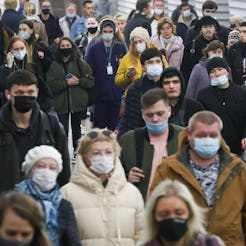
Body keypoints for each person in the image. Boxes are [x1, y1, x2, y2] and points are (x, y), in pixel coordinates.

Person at [150, 110, 246, 245]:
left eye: (213, 135)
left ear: (220, 136)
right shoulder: (168, 169)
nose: (208, 140)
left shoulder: (238, 169)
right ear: (189, 135)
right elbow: (155, 215)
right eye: (202, 135)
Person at [61, 128, 144, 245]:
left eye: (108, 152)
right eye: (96, 153)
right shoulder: (67, 194)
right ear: (84, 157)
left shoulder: (132, 193)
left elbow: (141, 235)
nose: (103, 157)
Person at [0, 70, 70, 192]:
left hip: (43, 202)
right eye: (19, 93)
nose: (25, 96)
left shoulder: (52, 126)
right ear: (8, 94)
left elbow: (64, 172)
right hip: (6, 203)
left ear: (37, 92)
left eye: (30, 92)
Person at [119, 88, 183, 199]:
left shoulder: (185, 137)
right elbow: (111, 176)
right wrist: (126, 178)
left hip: (178, 207)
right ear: (142, 114)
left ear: (169, 111)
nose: (155, 119)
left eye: (160, 113)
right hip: (141, 208)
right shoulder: (128, 141)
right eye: (149, 115)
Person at [16, 145, 81, 246]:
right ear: (30, 170)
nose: (46, 171)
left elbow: (73, 242)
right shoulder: (14, 202)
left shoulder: (63, 206)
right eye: (40, 166)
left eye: (52, 168)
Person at [46, 37, 95, 153]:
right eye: (62, 46)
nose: (65, 48)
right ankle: (63, 152)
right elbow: (50, 85)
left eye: (68, 46)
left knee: (76, 129)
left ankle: (77, 151)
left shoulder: (80, 62)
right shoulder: (54, 65)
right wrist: (66, 83)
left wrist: (79, 81)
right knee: (62, 129)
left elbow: (91, 81)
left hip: (78, 102)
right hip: (60, 103)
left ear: (72, 47)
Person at [141, 179, 225, 246]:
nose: (172, 218)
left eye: (179, 213)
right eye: (164, 214)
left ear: (190, 213)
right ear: (153, 217)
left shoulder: (212, 243)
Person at [197, 57, 246, 156]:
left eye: (220, 69)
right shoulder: (204, 95)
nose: (217, 74)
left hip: (238, 148)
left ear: (227, 71)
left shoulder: (241, 93)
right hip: (213, 148)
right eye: (213, 71)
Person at [86, 17, 127, 130]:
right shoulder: (94, 48)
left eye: (110, 32)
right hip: (100, 94)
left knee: (115, 127)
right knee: (99, 126)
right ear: (101, 32)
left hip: (116, 93)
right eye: (105, 32)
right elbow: (89, 69)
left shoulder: (121, 47)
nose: (107, 34)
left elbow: (126, 67)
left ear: (114, 32)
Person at [118, 48, 164, 137]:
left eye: (158, 61)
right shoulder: (136, 88)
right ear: (143, 67)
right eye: (150, 62)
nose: (155, 65)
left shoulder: (168, 84)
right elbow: (129, 119)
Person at [0, 36, 52, 112]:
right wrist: (9, 68)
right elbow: (4, 88)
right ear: (10, 51)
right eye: (16, 49)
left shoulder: (33, 68)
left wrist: (42, 109)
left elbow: (44, 90)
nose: (20, 51)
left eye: (22, 48)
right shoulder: (3, 69)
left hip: (32, 109)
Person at [115, 27, 168, 95]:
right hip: (133, 95)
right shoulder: (127, 58)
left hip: (155, 94)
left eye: (140, 41)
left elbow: (167, 71)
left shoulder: (156, 54)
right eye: (135, 42)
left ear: (146, 41)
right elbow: (117, 81)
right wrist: (127, 76)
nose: (138, 44)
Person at [181, 15, 219, 84]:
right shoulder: (191, 46)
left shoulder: (220, 45)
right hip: (197, 82)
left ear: (214, 28)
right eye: (205, 27)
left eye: (210, 26)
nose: (208, 30)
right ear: (201, 29)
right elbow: (185, 69)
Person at [227, 21, 246, 86]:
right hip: (238, 87)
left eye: (244, 32)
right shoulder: (233, 49)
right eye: (240, 32)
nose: (241, 35)